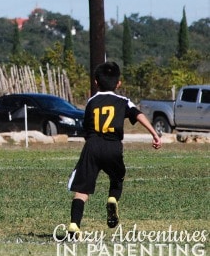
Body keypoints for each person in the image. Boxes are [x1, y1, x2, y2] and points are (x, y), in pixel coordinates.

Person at [67, 61, 161, 236]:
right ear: (118, 83)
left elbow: (86, 128)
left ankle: (74, 225)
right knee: (117, 176)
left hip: (92, 145)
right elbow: (138, 114)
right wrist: (154, 133)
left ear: (96, 82)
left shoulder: (91, 102)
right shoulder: (123, 101)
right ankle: (112, 198)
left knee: (82, 189)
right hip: (113, 146)